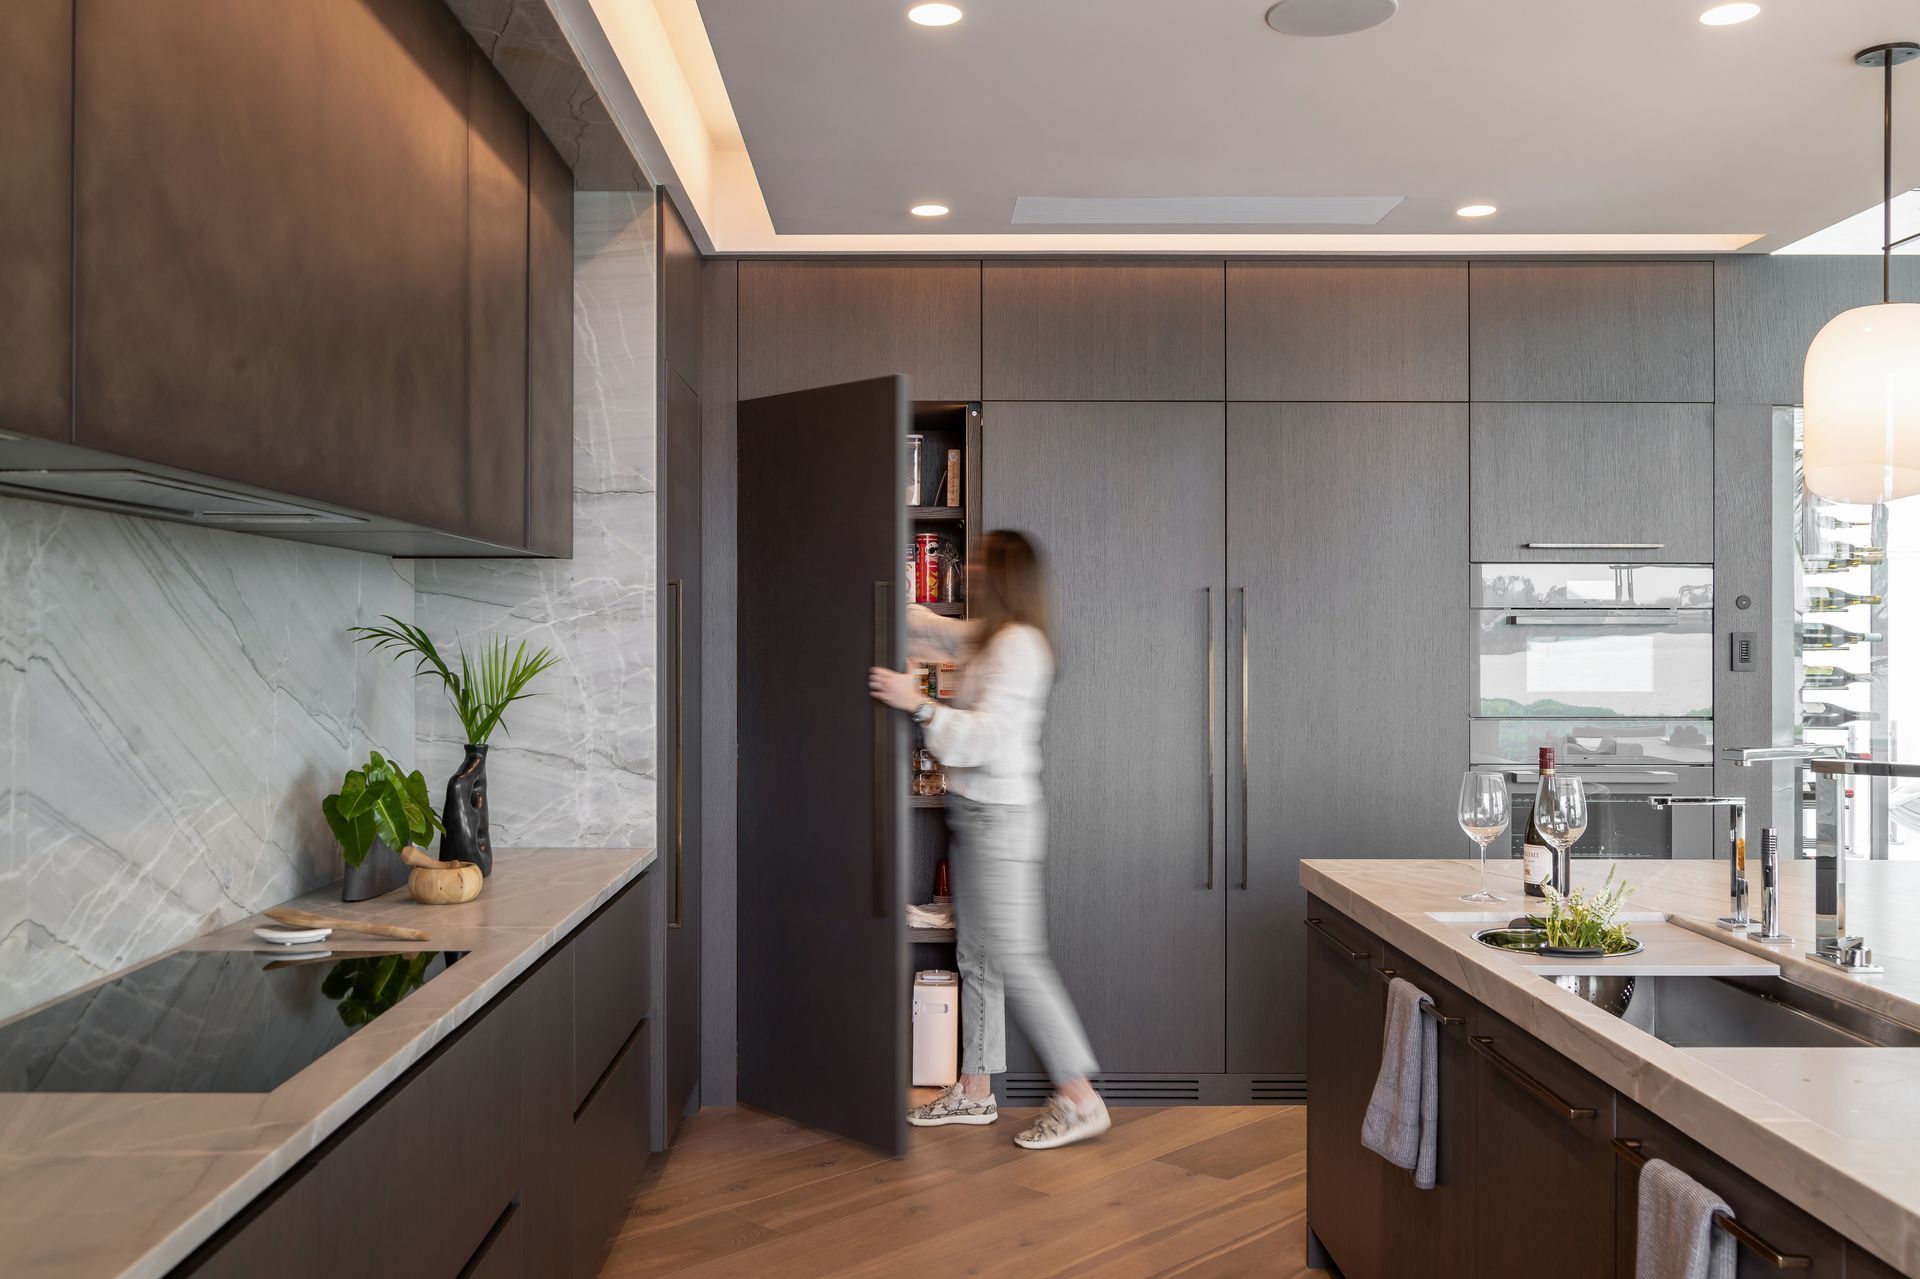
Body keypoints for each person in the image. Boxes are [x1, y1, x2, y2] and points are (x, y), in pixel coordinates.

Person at [868, 529, 1110, 1151]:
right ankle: (974, 1092)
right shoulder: (994, 636)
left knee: (1020, 959)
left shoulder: (1020, 647)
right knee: (976, 956)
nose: (968, 573)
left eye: (978, 567)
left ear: (1004, 577)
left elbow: (989, 737)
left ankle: (1081, 1097)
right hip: (975, 815)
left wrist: (918, 705)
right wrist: (879, 595)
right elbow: (932, 627)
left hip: (1001, 822)